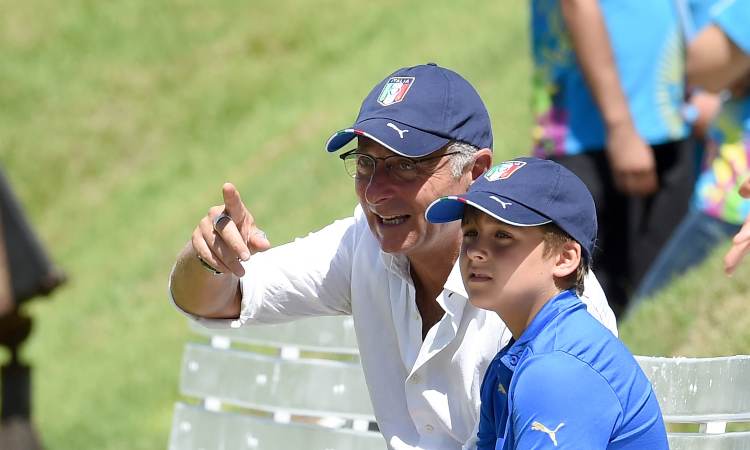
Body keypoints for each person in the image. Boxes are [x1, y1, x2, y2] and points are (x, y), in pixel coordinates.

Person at [169, 63, 618, 450]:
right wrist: (210, 256)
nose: (377, 192)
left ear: (476, 172)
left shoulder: (544, 292)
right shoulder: (360, 244)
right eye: (366, 163)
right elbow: (212, 299)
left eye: (406, 165)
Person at [425, 157, 668, 449]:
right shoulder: (518, 355)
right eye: (471, 233)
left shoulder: (558, 368)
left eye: (503, 235)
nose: (476, 251)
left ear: (565, 259)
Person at [530, 0, 695, 317]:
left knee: (659, 302)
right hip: (590, 134)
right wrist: (620, 126)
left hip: (667, 118)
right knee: (595, 307)